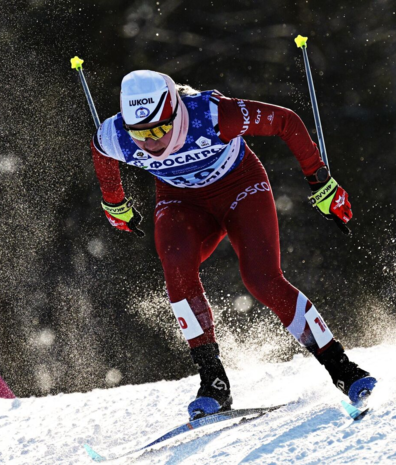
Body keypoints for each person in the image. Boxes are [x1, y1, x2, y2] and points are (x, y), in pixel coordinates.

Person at [90, 70, 375, 420]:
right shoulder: (114, 135)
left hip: (239, 189)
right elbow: (102, 156)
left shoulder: (212, 115)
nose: (151, 143)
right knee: (175, 271)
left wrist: (320, 181)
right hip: (182, 203)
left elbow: (286, 121)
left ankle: (342, 368)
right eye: (141, 134)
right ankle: (213, 382)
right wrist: (114, 203)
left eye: (160, 129)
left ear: (176, 112)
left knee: (261, 278)